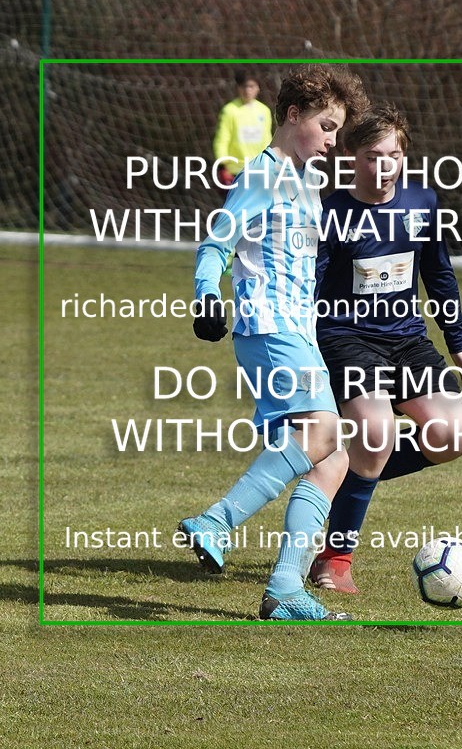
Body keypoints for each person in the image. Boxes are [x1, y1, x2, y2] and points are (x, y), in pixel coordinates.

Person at [180, 65, 369, 621]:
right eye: (327, 126)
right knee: (327, 431)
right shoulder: (262, 175)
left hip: (296, 330)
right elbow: (216, 243)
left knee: (332, 458)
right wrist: (206, 296)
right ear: (294, 115)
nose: (334, 141)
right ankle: (217, 521)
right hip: (269, 326)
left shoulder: (305, 181)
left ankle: (285, 588)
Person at [309, 103, 462, 594]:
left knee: (454, 435)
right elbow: (311, 287)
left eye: (393, 155)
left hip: (407, 340)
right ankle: (335, 560)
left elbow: (440, 277)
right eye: (371, 156)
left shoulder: (422, 204)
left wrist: (460, 347)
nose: (383, 166)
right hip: (345, 337)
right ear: (350, 158)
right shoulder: (331, 213)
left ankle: (343, 467)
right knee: (378, 431)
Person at [213, 69, 272, 187]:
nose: (247, 90)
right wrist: (223, 165)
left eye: (251, 86)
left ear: (258, 88)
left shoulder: (264, 111)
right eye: (244, 86)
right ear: (238, 88)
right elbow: (222, 139)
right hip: (236, 171)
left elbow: (267, 139)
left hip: (260, 169)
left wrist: (271, 162)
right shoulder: (230, 110)